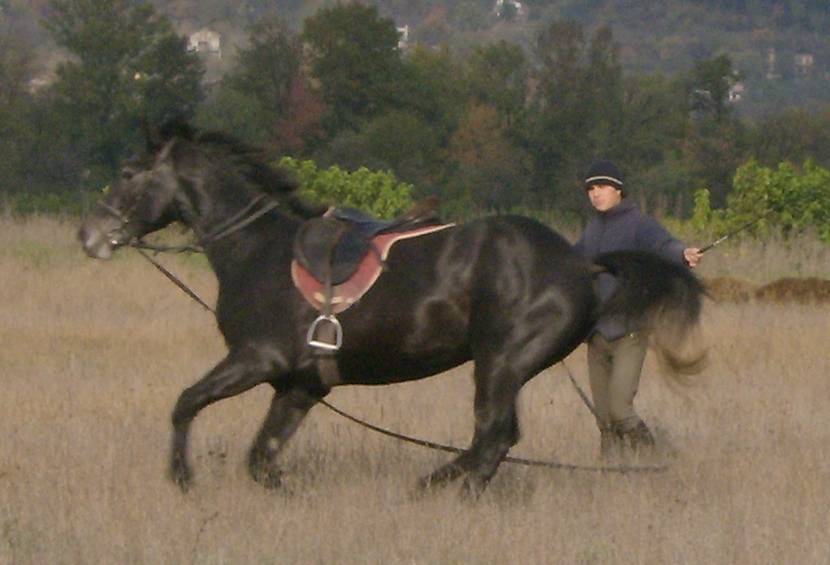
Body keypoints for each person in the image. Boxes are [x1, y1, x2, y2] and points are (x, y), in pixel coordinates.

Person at [573, 159, 703, 456]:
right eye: (591, 188)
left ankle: (653, 461)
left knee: (620, 410)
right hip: (596, 336)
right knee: (604, 419)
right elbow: (572, 261)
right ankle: (611, 472)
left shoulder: (640, 225)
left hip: (629, 333)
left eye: (602, 186)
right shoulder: (592, 229)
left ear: (619, 190)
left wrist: (684, 254)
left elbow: (664, 247)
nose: (595, 194)